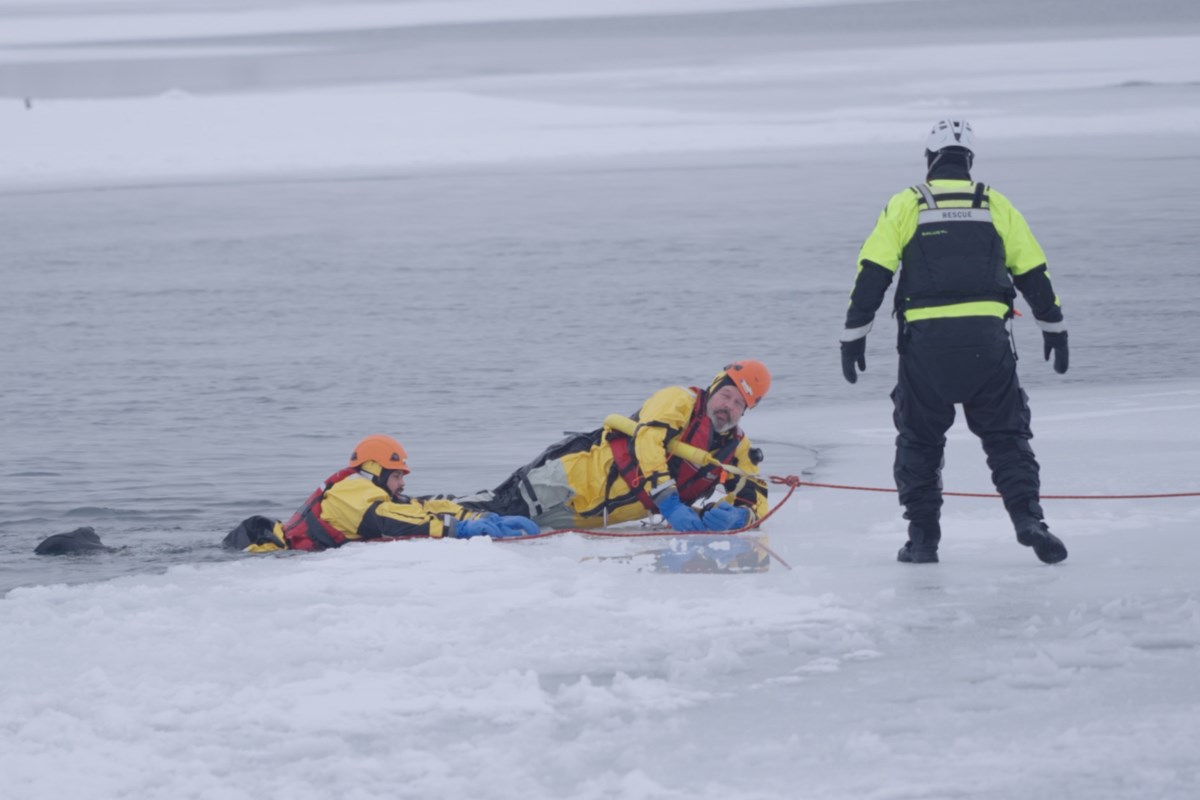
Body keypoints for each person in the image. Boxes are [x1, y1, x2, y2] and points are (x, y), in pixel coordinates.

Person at [839, 119, 1069, 565]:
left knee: (920, 443)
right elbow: (1033, 271)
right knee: (1007, 438)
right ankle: (1028, 520)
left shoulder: (907, 203)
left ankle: (923, 542)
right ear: (969, 162)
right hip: (988, 342)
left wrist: (854, 334)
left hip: (928, 348)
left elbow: (873, 272)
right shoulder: (994, 202)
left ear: (929, 160)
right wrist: (1053, 326)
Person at [459, 361, 772, 532]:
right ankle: (413, 512)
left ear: (746, 410)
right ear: (713, 387)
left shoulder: (736, 449)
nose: (726, 406)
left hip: (589, 516)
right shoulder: (678, 401)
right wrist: (670, 504)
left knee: (516, 530)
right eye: (725, 395)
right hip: (570, 476)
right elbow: (648, 444)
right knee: (484, 511)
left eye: (737, 403)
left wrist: (739, 517)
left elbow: (755, 496)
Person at [223, 434, 539, 552]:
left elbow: (419, 506)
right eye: (398, 475)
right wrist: (457, 529)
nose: (402, 483)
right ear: (376, 470)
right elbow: (388, 521)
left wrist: (478, 516)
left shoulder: (369, 491)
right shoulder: (352, 493)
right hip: (270, 553)